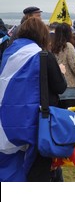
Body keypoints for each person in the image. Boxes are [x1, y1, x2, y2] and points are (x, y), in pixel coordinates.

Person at [0, 17, 67, 182]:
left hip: (9, 119)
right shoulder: (44, 56)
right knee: (38, 170)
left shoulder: (8, 53)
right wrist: (61, 72)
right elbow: (60, 87)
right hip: (37, 122)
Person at [51, 23, 75, 111]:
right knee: (72, 113)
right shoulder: (68, 46)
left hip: (56, 85)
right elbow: (74, 65)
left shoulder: (53, 46)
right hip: (69, 84)